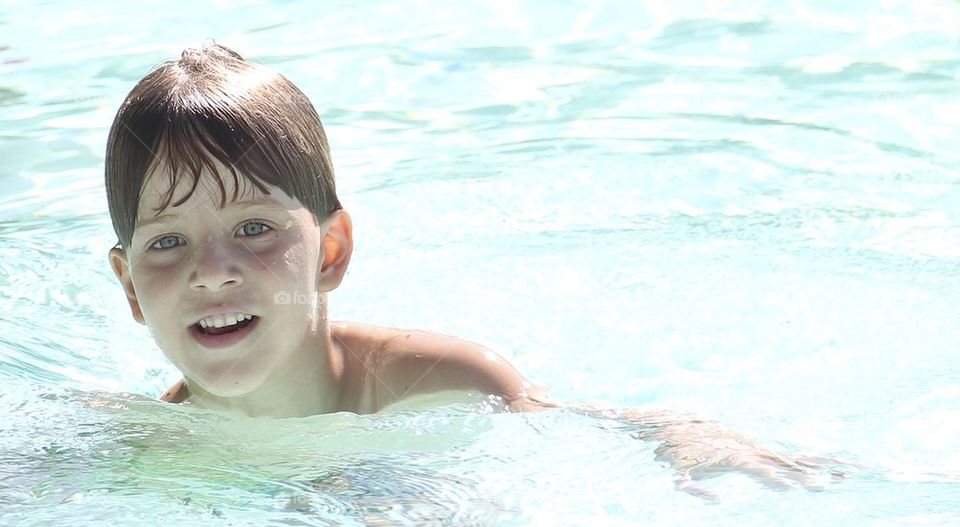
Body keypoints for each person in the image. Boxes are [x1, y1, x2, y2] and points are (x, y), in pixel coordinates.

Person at [105, 43, 841, 491]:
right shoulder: (149, 448)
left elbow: (581, 427)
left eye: (255, 227)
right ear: (131, 287)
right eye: (167, 243)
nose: (212, 270)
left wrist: (679, 434)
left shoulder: (442, 381)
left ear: (330, 252)